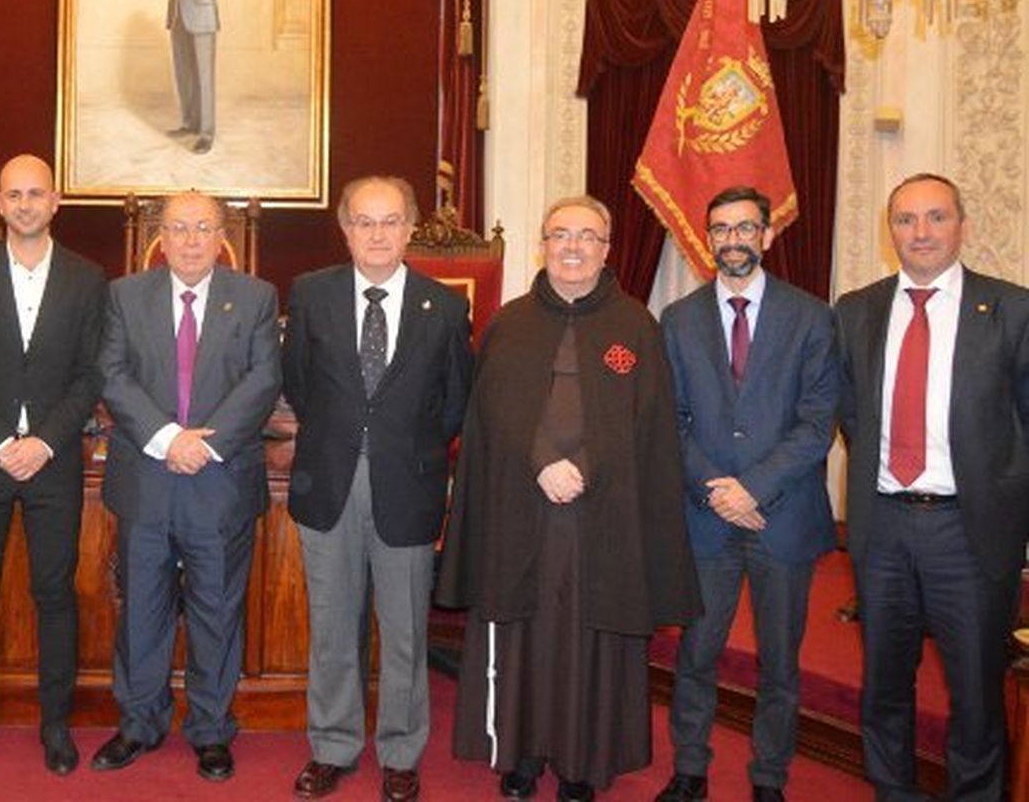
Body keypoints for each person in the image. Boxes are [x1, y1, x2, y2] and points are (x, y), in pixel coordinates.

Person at [436, 196, 700, 802]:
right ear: (543, 243)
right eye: (560, 235)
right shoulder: (509, 323)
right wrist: (540, 463)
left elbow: (648, 423)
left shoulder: (636, 325)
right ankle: (523, 755)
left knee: (590, 637)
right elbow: (492, 418)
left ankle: (583, 761)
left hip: (603, 514)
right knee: (525, 633)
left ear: (607, 249)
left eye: (587, 236)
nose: (573, 247)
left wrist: (580, 466)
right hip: (521, 510)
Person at [835, 173, 1029, 802]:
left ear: (961, 225)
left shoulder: (1013, 309)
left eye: (935, 218)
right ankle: (894, 792)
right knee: (884, 685)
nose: (920, 233)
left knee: (976, 693)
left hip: (969, 531)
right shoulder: (856, 310)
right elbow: (853, 414)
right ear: (890, 232)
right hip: (883, 525)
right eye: (906, 220)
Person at [281, 176, 472, 802]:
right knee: (332, 626)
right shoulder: (310, 295)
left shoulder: (443, 308)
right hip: (328, 482)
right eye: (364, 221)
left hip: (406, 488)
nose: (377, 234)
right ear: (345, 228)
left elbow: (453, 405)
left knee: (406, 631)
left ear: (411, 228)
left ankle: (400, 751)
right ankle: (332, 746)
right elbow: (301, 386)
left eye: (390, 221)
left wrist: (403, 450)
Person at [657, 186, 838, 802]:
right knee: (697, 655)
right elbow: (670, 420)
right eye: (721, 230)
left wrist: (753, 488)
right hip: (706, 520)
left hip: (780, 519)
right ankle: (690, 771)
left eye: (745, 228)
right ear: (707, 238)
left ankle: (769, 778)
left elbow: (818, 423)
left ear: (766, 233)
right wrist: (718, 492)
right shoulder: (678, 321)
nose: (732, 240)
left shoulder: (812, 316)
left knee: (780, 665)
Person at [91, 191, 280, 781]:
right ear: (162, 236)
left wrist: (205, 443)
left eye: (203, 228)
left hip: (219, 481)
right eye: (179, 228)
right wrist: (168, 437)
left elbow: (263, 379)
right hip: (148, 478)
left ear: (221, 235)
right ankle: (139, 723)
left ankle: (210, 729)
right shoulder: (124, 296)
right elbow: (111, 375)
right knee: (140, 613)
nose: (192, 240)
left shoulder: (254, 297)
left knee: (217, 612)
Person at [0, 154, 106, 776]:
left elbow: (92, 374)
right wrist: (3, 440)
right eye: (15, 195)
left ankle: (55, 724)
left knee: (54, 593)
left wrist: (45, 442)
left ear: (55, 201)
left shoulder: (89, 279)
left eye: (37, 193)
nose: (27, 204)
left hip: (54, 461)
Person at [154, 0, 222, 155]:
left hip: (203, 16)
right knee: (184, 73)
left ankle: (206, 133)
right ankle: (189, 123)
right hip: (177, 15)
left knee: (204, 76)